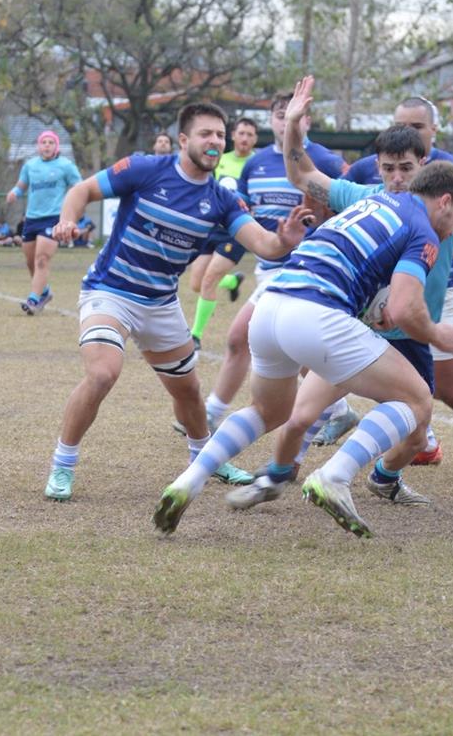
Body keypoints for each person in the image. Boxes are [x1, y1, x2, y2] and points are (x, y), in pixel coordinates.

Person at [237, 75, 453, 504]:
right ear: (379, 168)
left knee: (448, 397)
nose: (397, 178)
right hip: (365, 328)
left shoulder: (445, 202)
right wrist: (295, 131)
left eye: (407, 169)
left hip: (422, 320)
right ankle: (277, 477)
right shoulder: (364, 196)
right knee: (304, 411)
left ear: (425, 163)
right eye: (389, 169)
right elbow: (302, 174)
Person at [152, 161, 453, 538]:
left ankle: (188, 480)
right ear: (445, 201)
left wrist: (375, 309)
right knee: (418, 400)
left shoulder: (375, 204)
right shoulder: (423, 230)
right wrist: (436, 334)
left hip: (271, 307)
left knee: (267, 410)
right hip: (316, 314)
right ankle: (334, 477)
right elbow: (406, 307)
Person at [41, 102, 309, 501]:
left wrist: (282, 242)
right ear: (184, 140)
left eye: (220, 134)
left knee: (187, 391)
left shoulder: (221, 199)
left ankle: (205, 458)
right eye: (206, 134)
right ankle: (63, 465)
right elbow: (83, 190)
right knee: (103, 374)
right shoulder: (145, 169)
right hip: (110, 292)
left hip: (161, 304)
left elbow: (263, 244)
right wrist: (67, 219)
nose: (215, 141)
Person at [339, 94, 453, 465]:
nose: (395, 175)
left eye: (416, 127)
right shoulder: (370, 167)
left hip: (439, 292)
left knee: (450, 389)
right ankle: (419, 442)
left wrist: (421, 252)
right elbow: (330, 197)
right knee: (379, 376)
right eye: (400, 126)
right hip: (384, 295)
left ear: (433, 131)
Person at [190, 89, 345, 442]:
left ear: (307, 119)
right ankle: (339, 409)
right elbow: (244, 215)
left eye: (294, 114)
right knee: (298, 351)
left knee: (237, 337)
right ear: (272, 120)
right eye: (278, 113)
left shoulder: (326, 161)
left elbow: (343, 213)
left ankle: (211, 413)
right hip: (268, 269)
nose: (284, 120)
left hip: (306, 272)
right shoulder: (256, 164)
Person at [185, 116, 260, 344]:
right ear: (233, 136)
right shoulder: (219, 159)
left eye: (250, 134)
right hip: (211, 227)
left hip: (236, 231)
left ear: (255, 139)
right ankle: (231, 282)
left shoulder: (257, 164)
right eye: (241, 133)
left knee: (208, 281)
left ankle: (195, 336)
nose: (245, 138)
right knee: (195, 283)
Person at [7, 130, 82, 314]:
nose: (46, 145)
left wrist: (71, 211)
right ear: (38, 146)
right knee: (30, 261)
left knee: (42, 259)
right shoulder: (30, 165)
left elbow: (80, 186)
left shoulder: (65, 165)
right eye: (43, 142)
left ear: (56, 146)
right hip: (31, 218)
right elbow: (21, 185)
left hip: (53, 218)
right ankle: (45, 291)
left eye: (50, 142)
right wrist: (14, 193)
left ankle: (33, 299)